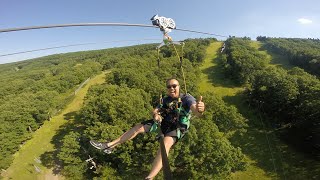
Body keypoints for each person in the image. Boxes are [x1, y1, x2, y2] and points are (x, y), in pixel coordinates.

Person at [90, 78, 205, 179]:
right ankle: (109, 145)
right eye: (169, 86)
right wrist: (155, 115)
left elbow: (195, 110)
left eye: (174, 86)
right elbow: (155, 110)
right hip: (163, 121)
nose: (172, 88)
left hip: (177, 126)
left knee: (164, 146)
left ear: (179, 87)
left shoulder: (186, 98)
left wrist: (200, 109)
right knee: (138, 127)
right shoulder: (165, 100)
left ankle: (149, 178)